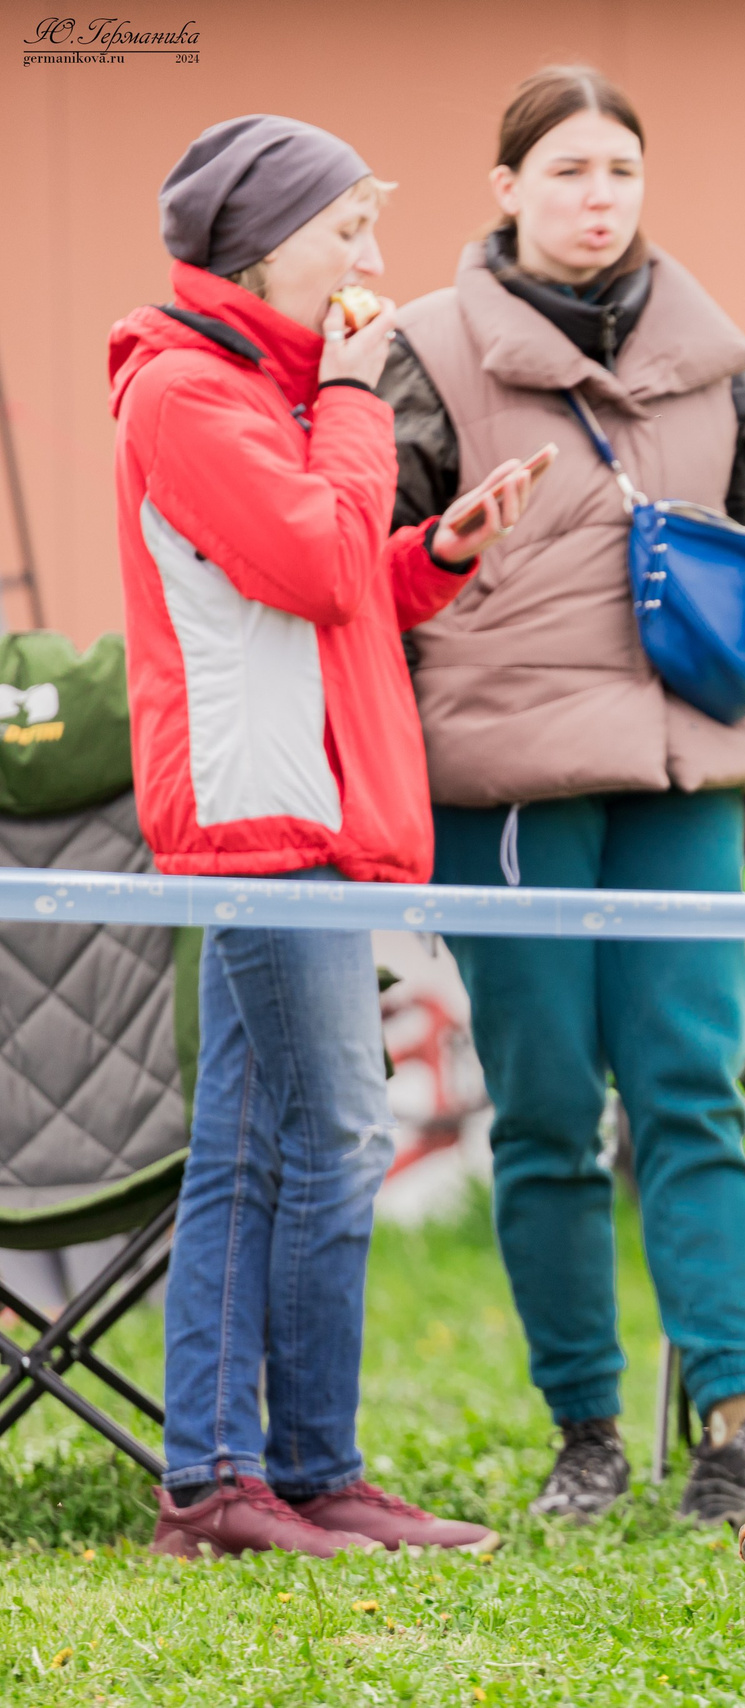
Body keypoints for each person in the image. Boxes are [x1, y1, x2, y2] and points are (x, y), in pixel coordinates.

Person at [378, 66, 745, 1525]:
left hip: (690, 767)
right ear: (506, 190)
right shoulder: (421, 353)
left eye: (619, 169)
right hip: (507, 784)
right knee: (549, 1112)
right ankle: (587, 1435)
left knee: (694, 1093)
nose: (597, 197)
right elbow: (367, 579)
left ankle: (741, 1424)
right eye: (566, 170)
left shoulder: (717, 357)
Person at [115, 114, 537, 1558]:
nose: (371, 258)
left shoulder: (260, 389)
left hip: (304, 812)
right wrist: (358, 402)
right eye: (348, 231)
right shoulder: (189, 392)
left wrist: (437, 554)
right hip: (263, 819)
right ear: (262, 247)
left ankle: (258, 1480)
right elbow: (311, 560)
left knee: (254, 1148)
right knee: (339, 1134)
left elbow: (332, 589)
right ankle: (266, 1473)